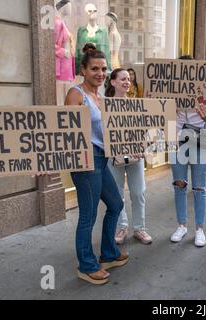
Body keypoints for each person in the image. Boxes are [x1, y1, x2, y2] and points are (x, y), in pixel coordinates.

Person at [65, 44, 128, 285]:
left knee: (116, 204)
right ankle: (87, 265)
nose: (100, 73)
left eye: (103, 69)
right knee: (88, 216)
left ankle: (109, 253)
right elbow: (65, 131)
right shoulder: (76, 94)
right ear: (83, 69)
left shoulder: (100, 97)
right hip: (85, 160)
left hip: (101, 158)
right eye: (94, 69)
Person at [104, 68, 153, 246]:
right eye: (123, 79)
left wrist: (143, 147)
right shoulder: (105, 106)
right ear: (113, 82)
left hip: (135, 157)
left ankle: (140, 228)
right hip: (114, 157)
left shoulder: (136, 105)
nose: (127, 82)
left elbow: (145, 132)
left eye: (129, 80)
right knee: (117, 194)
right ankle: (121, 227)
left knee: (138, 192)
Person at [169, 55, 206, 247]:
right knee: (179, 185)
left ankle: (200, 229)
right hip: (176, 141)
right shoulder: (169, 91)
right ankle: (182, 225)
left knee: (199, 187)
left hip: (200, 142)